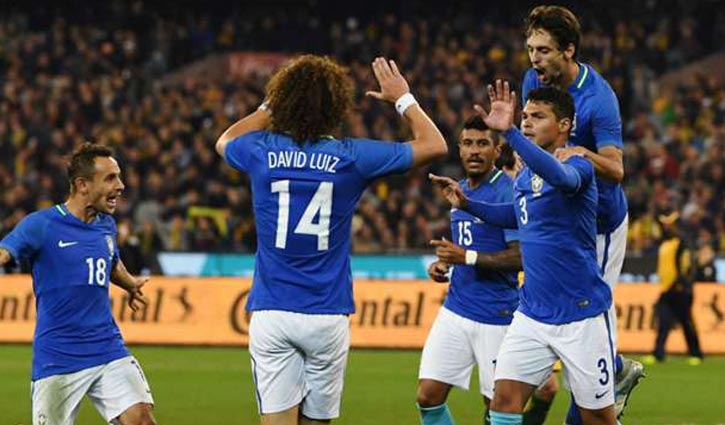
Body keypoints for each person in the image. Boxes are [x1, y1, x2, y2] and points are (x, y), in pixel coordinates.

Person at [215, 55, 447, 425]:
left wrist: (269, 105)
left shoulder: (261, 150)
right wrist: (403, 98)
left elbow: (225, 140)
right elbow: (435, 145)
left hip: (273, 310)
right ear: (338, 105)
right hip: (326, 313)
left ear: (284, 102)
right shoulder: (352, 156)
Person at [431, 82, 616, 425]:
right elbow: (517, 217)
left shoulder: (579, 163)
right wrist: (468, 204)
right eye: (526, 116)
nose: (528, 122)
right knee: (504, 402)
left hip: (581, 315)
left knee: (598, 419)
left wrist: (512, 133)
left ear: (564, 126)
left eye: (538, 117)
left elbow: (560, 177)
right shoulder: (525, 176)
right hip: (531, 314)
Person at [521, 5, 644, 421]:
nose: (534, 59)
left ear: (568, 51)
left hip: (600, 226)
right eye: (531, 49)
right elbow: (532, 144)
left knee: (591, 313)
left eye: (543, 50)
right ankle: (606, 376)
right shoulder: (533, 82)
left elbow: (616, 169)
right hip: (556, 219)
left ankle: (613, 376)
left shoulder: (599, 98)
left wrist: (579, 153)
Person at [0, 143, 156, 425]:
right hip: (58, 358)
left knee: (141, 419)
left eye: (118, 176)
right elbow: (4, 253)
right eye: (110, 178)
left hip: (107, 347)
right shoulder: (41, 225)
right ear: (82, 185)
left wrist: (130, 283)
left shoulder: (105, 224)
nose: (120, 185)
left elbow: (110, 261)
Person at [418, 115, 521, 425]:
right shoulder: (459, 190)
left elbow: (521, 257)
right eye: (468, 143)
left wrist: (467, 258)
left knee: (498, 409)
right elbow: (468, 247)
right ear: (459, 149)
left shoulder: (508, 192)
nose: (474, 151)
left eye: (482, 143)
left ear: (497, 149)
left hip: (497, 316)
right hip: (456, 310)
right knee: (427, 397)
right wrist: (445, 265)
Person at [642, 211, 704, 365]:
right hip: (666, 289)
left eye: (670, 224)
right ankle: (658, 353)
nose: (667, 227)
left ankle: (696, 353)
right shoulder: (665, 242)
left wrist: (682, 283)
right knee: (663, 322)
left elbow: (687, 264)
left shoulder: (682, 242)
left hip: (680, 289)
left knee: (686, 322)